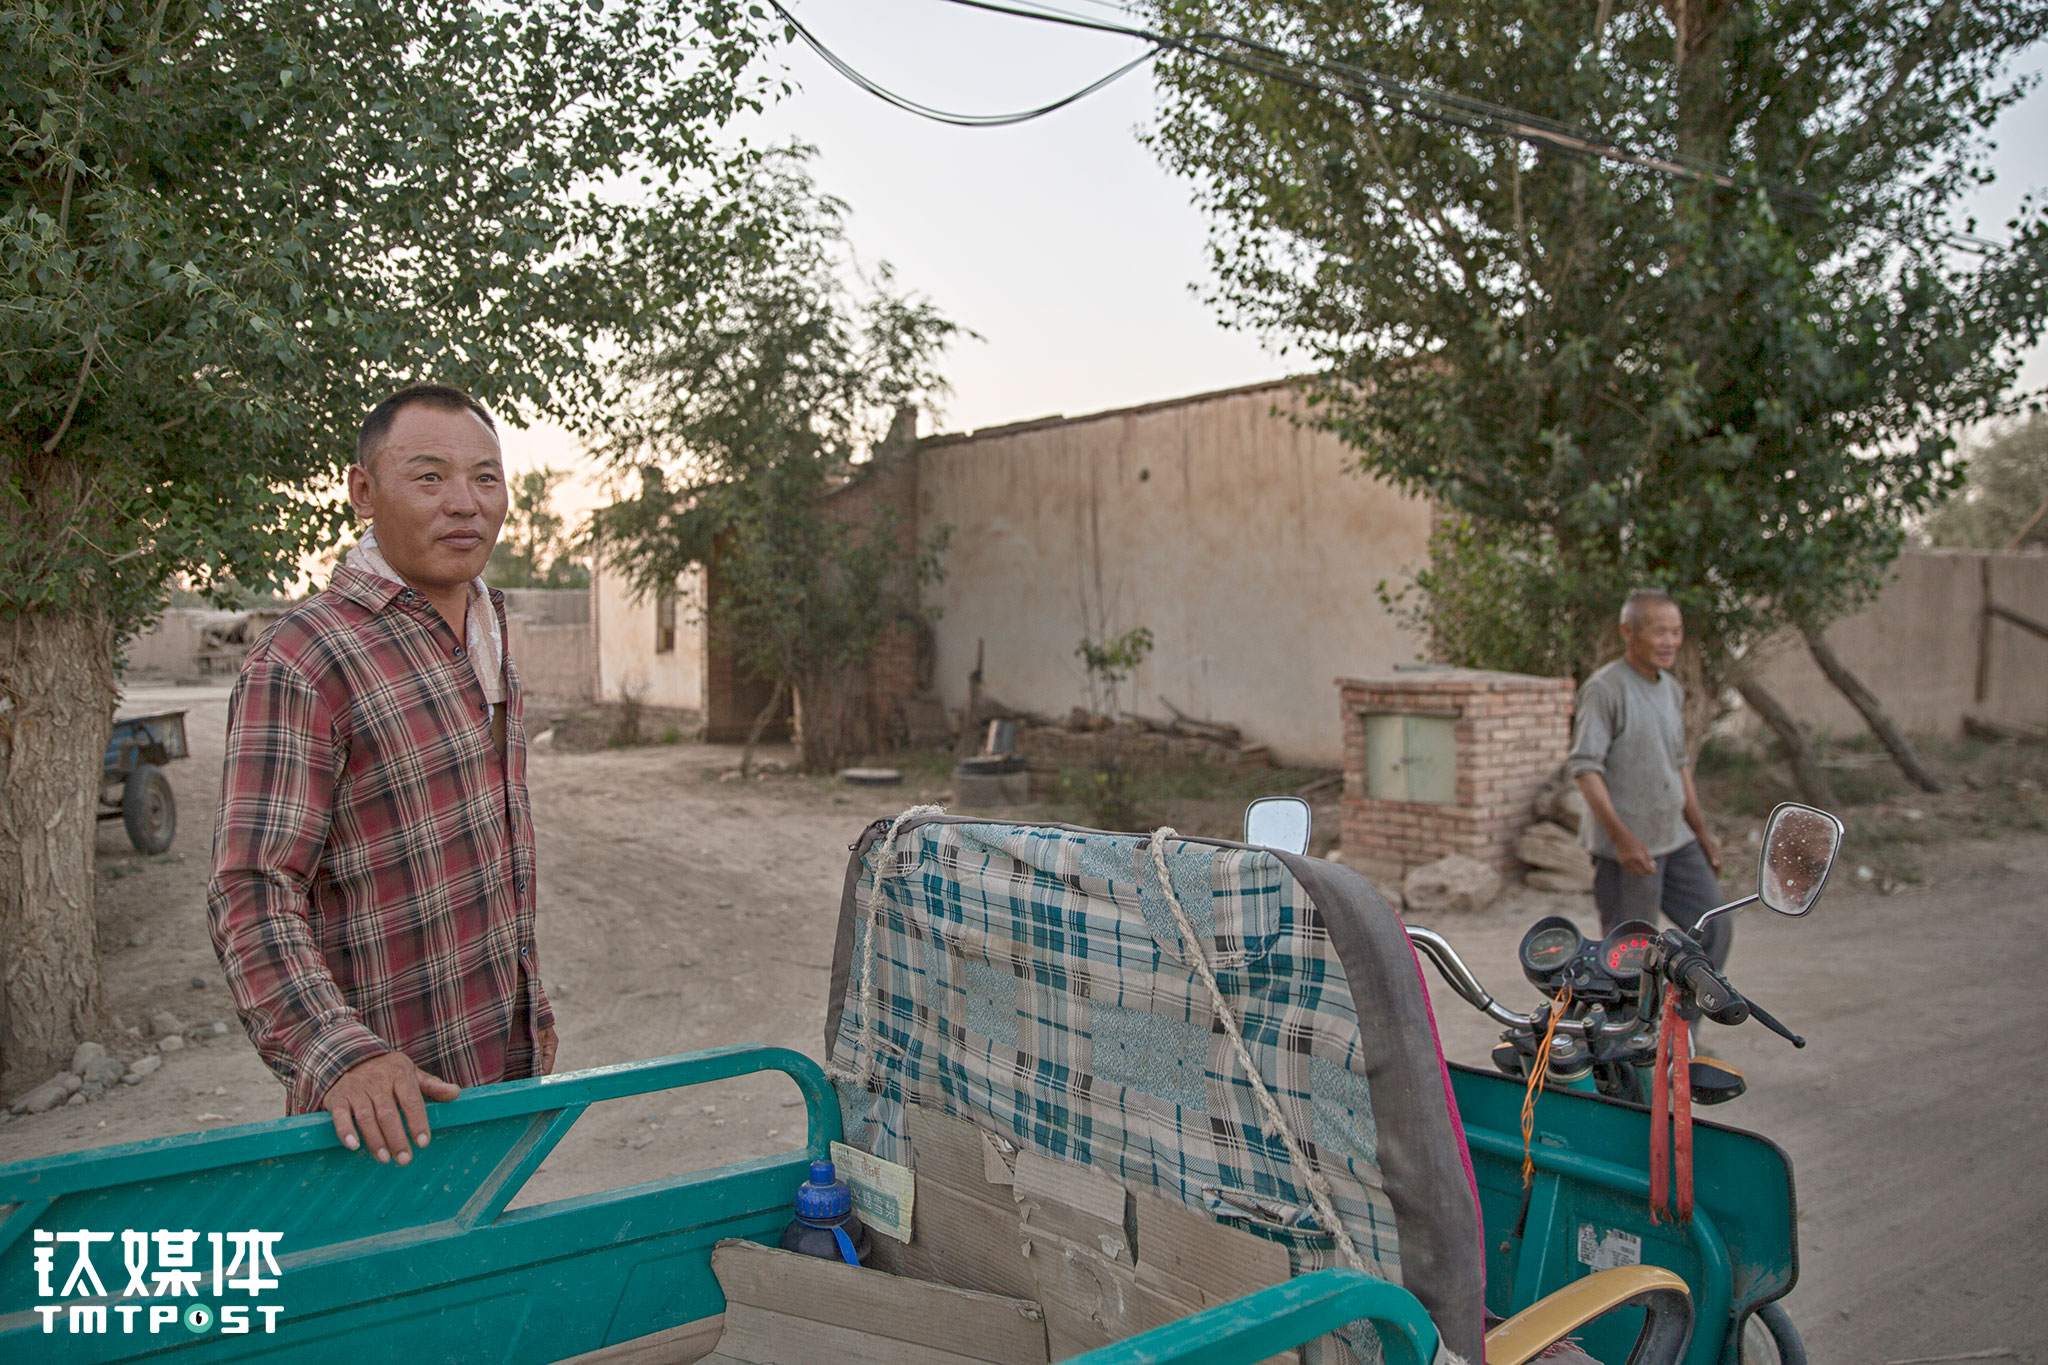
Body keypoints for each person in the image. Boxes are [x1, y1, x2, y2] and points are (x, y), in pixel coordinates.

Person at [208, 383, 556, 1166]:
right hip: (377, 1108)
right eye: (429, 477)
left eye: (486, 478)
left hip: (498, 1071)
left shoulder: (488, 624)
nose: (464, 503)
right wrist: (340, 1053)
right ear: (363, 490)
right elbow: (251, 888)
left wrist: (529, 1021)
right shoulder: (303, 659)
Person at [1567, 589, 1730, 968]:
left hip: (1676, 839)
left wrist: (1702, 835)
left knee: (1715, 926)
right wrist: (1623, 840)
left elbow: (1679, 765)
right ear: (1629, 632)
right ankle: (1632, 1028)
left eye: (1676, 632)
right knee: (1631, 958)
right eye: (1660, 632)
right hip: (1630, 851)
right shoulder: (1605, 689)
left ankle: (1681, 1027)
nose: (1670, 642)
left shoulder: (1670, 689)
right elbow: (1586, 769)